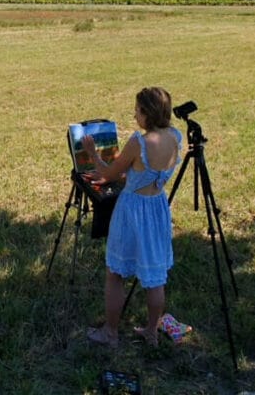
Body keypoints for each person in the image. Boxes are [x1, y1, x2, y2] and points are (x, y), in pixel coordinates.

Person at [81, 86, 183, 348]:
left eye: (137, 110)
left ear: (147, 113)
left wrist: (92, 154)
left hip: (132, 210)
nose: (135, 115)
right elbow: (147, 174)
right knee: (155, 275)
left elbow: (109, 174)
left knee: (115, 273)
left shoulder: (140, 141)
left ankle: (110, 333)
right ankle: (151, 331)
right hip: (157, 207)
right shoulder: (175, 136)